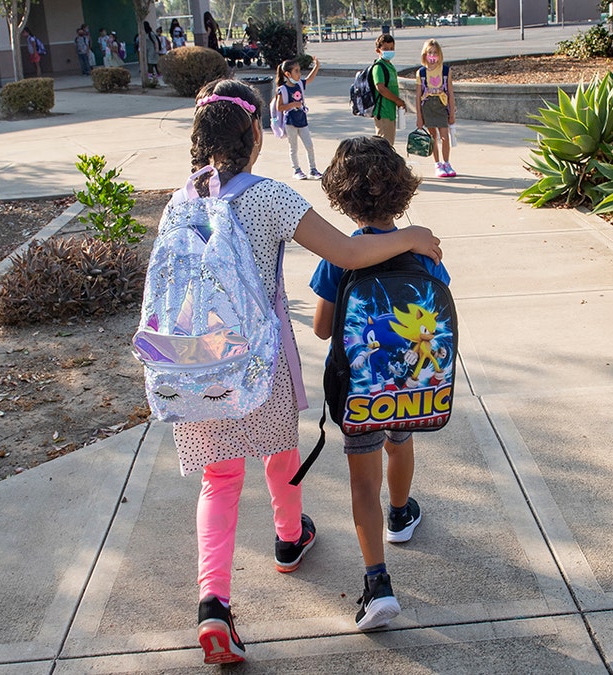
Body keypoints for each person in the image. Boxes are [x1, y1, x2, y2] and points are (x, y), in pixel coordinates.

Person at [178, 78, 442, 665]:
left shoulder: (182, 199)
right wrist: (414, 237)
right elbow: (347, 254)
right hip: (259, 361)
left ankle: (213, 606)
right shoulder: (268, 197)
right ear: (254, 134)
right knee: (278, 451)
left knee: (218, 482)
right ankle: (289, 536)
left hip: (197, 360)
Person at [309, 135, 450, 631]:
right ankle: (400, 515)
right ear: (402, 191)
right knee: (401, 441)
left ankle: (377, 584)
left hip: (358, 390)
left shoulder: (339, 257)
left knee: (360, 479)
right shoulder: (425, 250)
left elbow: (324, 328)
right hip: (412, 385)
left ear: (342, 197)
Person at [274, 56, 322, 180]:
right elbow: (279, 107)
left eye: (299, 70)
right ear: (287, 74)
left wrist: (316, 66)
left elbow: (310, 78)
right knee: (293, 147)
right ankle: (296, 170)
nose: (299, 74)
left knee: (309, 145)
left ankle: (313, 169)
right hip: (290, 122)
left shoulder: (300, 84)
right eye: (296, 71)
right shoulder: (282, 89)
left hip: (302, 119)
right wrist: (293, 105)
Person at [416, 39, 457, 178]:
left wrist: (452, 112)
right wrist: (419, 117)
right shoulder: (421, 73)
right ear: (425, 55)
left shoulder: (445, 71)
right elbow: (418, 96)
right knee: (433, 137)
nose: (432, 56)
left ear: (439, 54)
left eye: (435, 53)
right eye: (429, 53)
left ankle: (447, 162)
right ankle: (437, 163)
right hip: (427, 106)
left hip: (441, 105)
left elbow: (450, 92)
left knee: (444, 136)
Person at [371, 34, 407, 145]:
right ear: (378, 50)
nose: (389, 51)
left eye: (392, 48)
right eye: (386, 49)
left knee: (389, 144)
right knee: (384, 145)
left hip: (390, 112)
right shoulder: (378, 67)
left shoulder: (390, 66)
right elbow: (381, 88)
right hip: (383, 112)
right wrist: (397, 100)